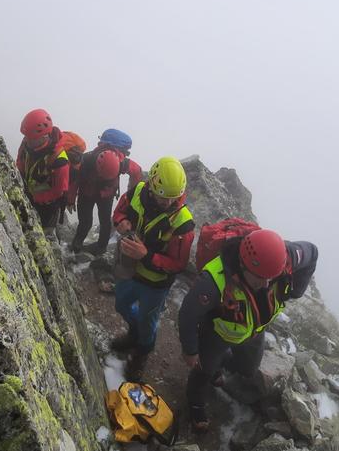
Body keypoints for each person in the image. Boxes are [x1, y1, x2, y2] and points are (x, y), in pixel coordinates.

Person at [177, 229, 319, 432]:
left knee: (249, 368)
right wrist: (190, 350)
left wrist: (297, 290)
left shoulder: (283, 257)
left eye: (271, 277)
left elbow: (312, 252)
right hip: (217, 333)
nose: (266, 284)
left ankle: (218, 367)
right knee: (203, 370)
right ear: (243, 265)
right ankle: (196, 404)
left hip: (254, 332)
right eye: (259, 278)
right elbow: (188, 314)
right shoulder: (214, 280)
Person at [111, 156, 195, 380]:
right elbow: (118, 212)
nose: (168, 202)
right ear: (152, 185)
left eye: (173, 198)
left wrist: (146, 256)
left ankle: (142, 352)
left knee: (149, 322)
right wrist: (120, 222)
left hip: (155, 284)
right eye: (163, 196)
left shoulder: (183, 222)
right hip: (128, 270)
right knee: (121, 304)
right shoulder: (138, 191)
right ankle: (134, 333)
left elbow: (177, 264)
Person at [69, 129, 142, 256]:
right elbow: (75, 180)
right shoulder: (86, 160)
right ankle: (76, 247)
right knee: (88, 222)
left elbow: (137, 172)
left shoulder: (121, 162)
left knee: (103, 222)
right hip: (95, 193)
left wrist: (131, 195)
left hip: (97, 193)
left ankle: (99, 248)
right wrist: (70, 199)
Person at [16, 109, 70, 232]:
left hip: (48, 204)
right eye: (26, 137)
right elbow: (20, 161)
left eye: (32, 138)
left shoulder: (59, 160)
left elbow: (59, 191)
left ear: (44, 136)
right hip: (29, 193)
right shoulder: (27, 141)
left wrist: (36, 198)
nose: (27, 140)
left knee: (44, 233)